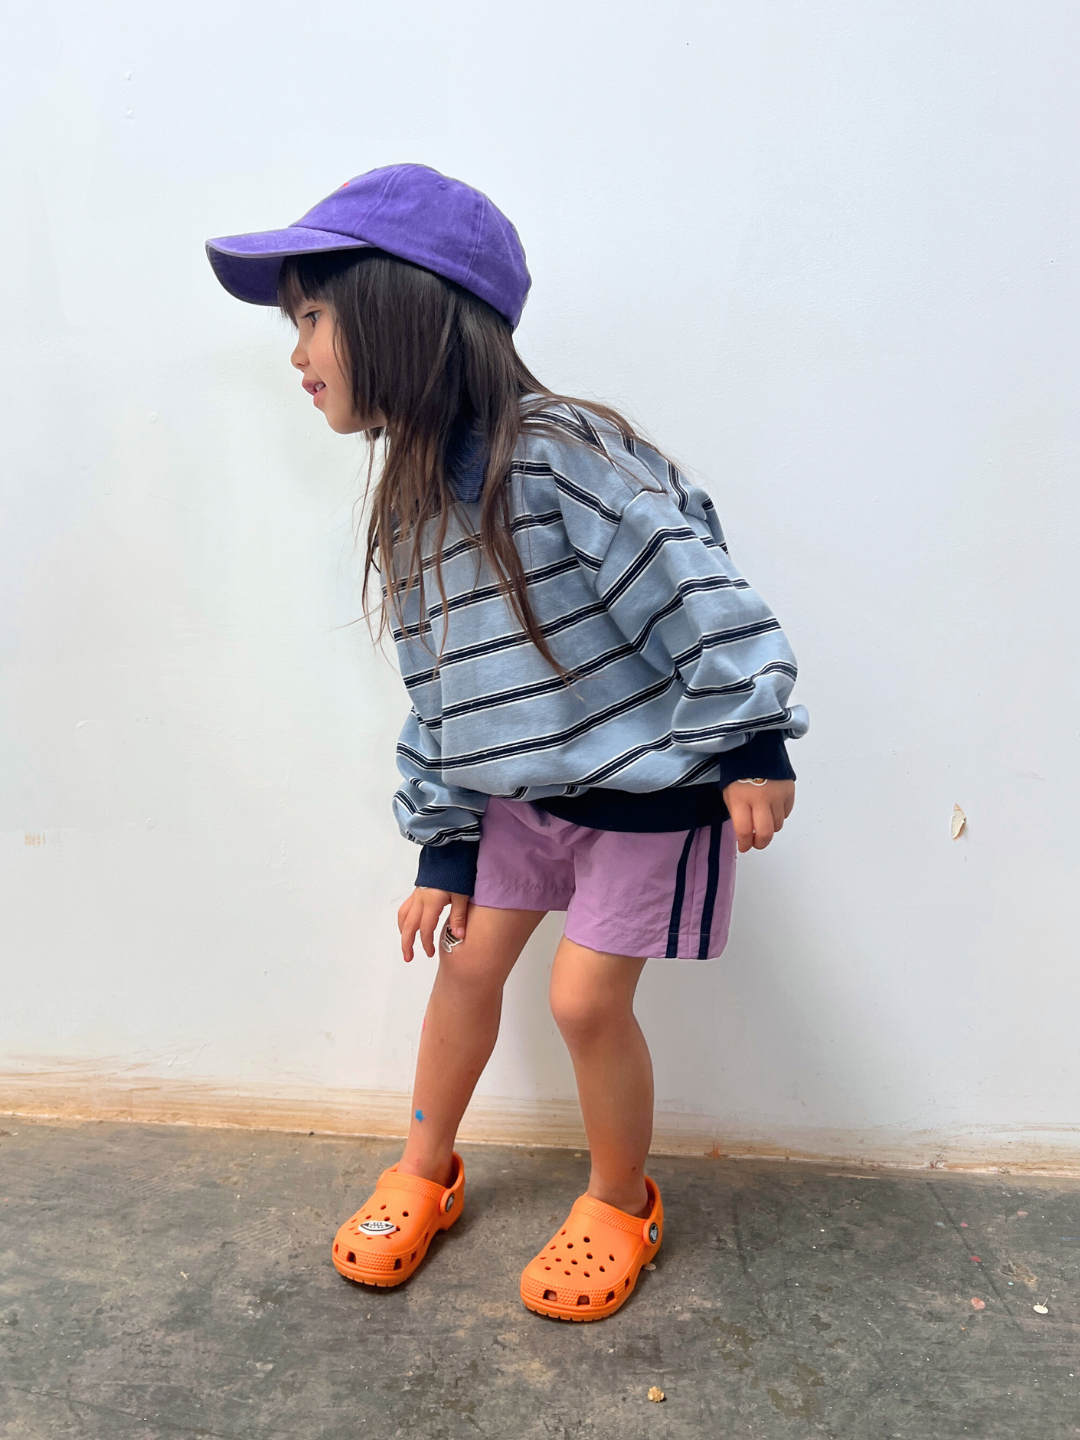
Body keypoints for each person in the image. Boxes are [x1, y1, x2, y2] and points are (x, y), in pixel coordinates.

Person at [205, 163, 806, 1322]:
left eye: (312, 317)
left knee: (583, 1002)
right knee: (467, 966)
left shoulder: (560, 451)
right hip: (520, 796)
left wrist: (752, 739)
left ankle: (622, 1200)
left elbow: (692, 583)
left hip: (644, 789)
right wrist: (443, 847)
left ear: (402, 306)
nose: (297, 354)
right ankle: (424, 1171)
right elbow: (443, 695)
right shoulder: (414, 504)